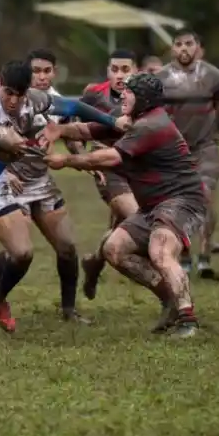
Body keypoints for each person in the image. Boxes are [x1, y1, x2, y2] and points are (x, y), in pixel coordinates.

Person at [0, 60, 127, 339]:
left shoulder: (31, 99)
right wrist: (0, 142)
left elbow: (73, 107)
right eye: (8, 92)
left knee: (23, 253)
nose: (13, 100)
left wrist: (113, 121)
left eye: (19, 94)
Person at [41, 73, 206, 338]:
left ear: (145, 100)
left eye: (130, 92)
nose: (123, 95)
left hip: (182, 201)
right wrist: (59, 130)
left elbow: (109, 156)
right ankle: (169, 301)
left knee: (160, 249)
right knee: (114, 248)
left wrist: (67, 160)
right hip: (153, 205)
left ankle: (188, 320)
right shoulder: (133, 119)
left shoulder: (152, 125)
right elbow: (88, 129)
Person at [0, 49, 90, 324]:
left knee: (67, 246)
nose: (41, 77)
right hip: (11, 182)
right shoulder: (6, 99)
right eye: (36, 71)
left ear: (54, 72)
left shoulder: (56, 103)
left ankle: (69, 309)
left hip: (42, 181)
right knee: (18, 249)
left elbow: (70, 135)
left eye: (47, 71)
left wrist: (83, 161)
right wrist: (4, 171)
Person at [155, 29, 219, 278]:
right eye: (178, 44)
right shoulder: (160, 78)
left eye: (189, 44)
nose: (184, 48)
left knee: (205, 197)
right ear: (172, 49)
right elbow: (149, 115)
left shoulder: (212, 75)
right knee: (177, 205)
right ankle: (184, 256)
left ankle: (204, 258)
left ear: (197, 47)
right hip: (173, 151)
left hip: (206, 148)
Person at [75, 50, 140, 300]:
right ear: (107, 70)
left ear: (135, 70)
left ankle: (94, 262)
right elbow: (74, 128)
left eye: (125, 69)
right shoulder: (93, 94)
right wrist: (85, 159)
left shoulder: (142, 96)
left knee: (121, 226)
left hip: (136, 168)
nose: (120, 75)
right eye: (115, 69)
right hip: (108, 169)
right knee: (137, 217)